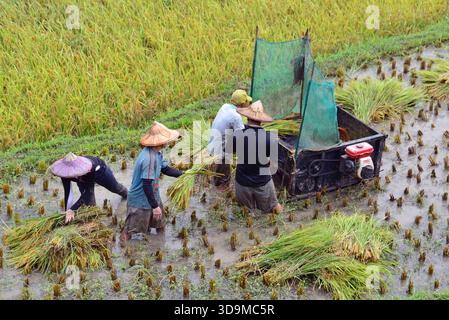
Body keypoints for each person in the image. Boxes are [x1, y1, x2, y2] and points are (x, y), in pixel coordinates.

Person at [121, 121, 183, 241]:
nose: (167, 142)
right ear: (160, 141)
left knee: (160, 225)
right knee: (129, 231)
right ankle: (125, 249)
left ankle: (159, 245)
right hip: (140, 201)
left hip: (153, 196)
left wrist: (183, 175)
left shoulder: (157, 153)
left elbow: (165, 169)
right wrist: (155, 206)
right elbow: (146, 184)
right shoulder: (149, 158)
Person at [231, 100, 283, 215]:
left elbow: (231, 151)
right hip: (262, 182)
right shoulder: (270, 138)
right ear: (261, 120)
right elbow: (273, 164)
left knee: (246, 213)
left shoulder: (237, 135)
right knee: (275, 209)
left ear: (247, 117)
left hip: (242, 183)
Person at [50, 152, 128, 223]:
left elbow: (87, 192)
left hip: (100, 171)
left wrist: (73, 209)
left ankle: (128, 195)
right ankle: (95, 223)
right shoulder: (64, 173)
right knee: (90, 204)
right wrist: (67, 211)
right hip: (82, 179)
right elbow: (68, 191)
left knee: (115, 188)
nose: (70, 175)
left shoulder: (89, 168)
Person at [208, 89, 252, 188]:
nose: (248, 104)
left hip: (212, 146)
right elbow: (241, 138)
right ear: (242, 104)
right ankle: (220, 195)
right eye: (247, 102)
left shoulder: (225, 106)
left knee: (218, 173)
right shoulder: (236, 117)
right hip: (221, 151)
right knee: (225, 178)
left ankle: (215, 185)